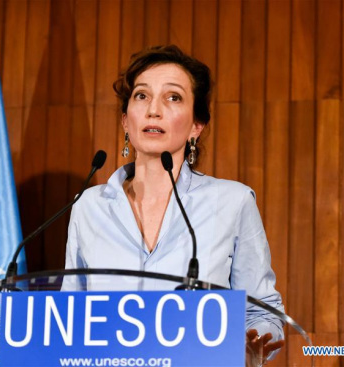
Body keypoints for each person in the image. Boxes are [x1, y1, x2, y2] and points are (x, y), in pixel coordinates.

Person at [63, 45, 285, 363]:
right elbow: (70, 311)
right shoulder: (89, 205)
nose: (154, 110)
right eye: (141, 95)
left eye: (173, 97)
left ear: (196, 125)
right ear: (126, 120)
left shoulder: (232, 202)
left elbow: (261, 308)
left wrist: (256, 343)